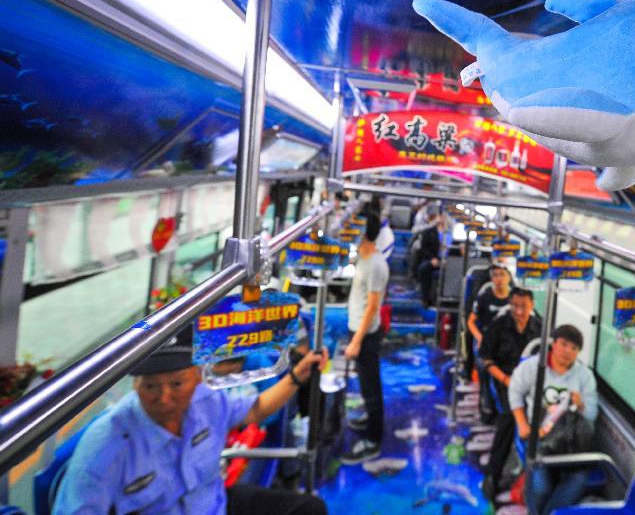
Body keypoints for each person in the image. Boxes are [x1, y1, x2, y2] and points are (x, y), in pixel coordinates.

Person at [54, 329, 329, 515]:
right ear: (135, 385)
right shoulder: (106, 446)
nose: (164, 398)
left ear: (198, 376)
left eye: (176, 384)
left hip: (213, 505)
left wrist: (296, 376)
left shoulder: (207, 400)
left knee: (310, 509)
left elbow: (255, 411)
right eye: (150, 386)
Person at [509, 325, 598, 515]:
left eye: (574, 348)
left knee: (578, 481)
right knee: (541, 488)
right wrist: (522, 424)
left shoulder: (584, 376)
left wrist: (581, 405)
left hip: (571, 442)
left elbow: (592, 415)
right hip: (540, 436)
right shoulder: (533, 367)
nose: (568, 351)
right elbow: (515, 391)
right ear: (553, 344)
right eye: (564, 344)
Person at [479, 287, 542, 499]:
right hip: (505, 379)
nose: (519, 311)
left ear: (532, 306)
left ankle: (539, 474)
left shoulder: (539, 327)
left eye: (523, 306)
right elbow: (486, 360)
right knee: (509, 417)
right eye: (515, 305)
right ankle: (493, 474)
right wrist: (507, 380)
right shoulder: (499, 326)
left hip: (532, 382)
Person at [341, 211, 390, 464]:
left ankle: (373, 440)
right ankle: (369, 419)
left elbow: (372, 307)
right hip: (358, 328)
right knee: (365, 381)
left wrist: (356, 341)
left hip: (366, 335)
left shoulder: (376, 265)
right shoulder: (363, 255)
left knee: (371, 387)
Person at [467, 264, 513, 350]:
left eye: (502, 274)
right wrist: (480, 338)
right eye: (495, 275)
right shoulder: (484, 297)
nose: (499, 278)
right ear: (491, 279)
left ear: (509, 277)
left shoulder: (516, 299)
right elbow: (471, 322)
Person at [415, 210, 445, 306]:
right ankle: (426, 298)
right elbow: (423, 249)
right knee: (424, 268)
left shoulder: (451, 233)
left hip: (449, 261)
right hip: (434, 259)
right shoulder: (429, 232)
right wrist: (432, 258)